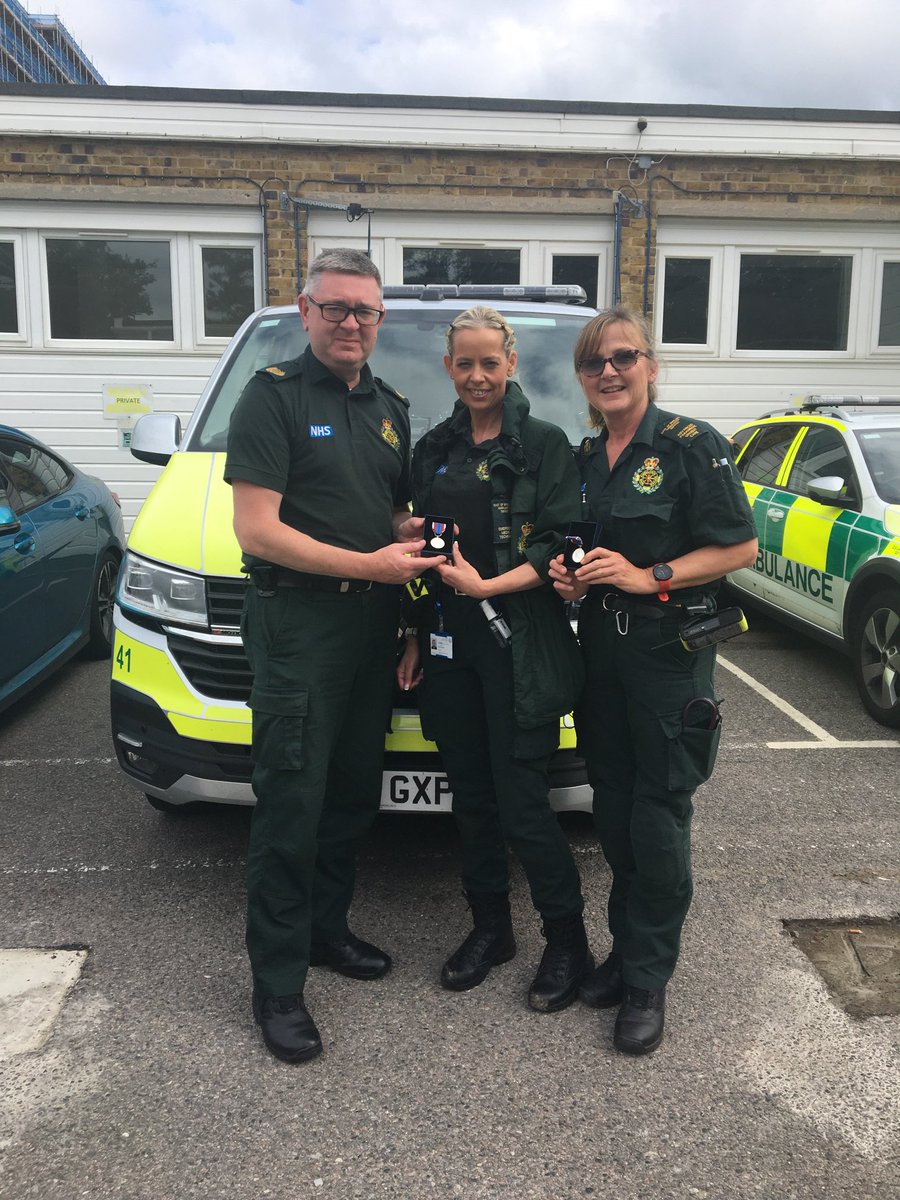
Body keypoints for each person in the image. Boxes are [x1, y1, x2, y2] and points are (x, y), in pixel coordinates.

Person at [224, 248, 434, 1064]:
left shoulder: (391, 406)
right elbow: (258, 530)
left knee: (349, 795)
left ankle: (324, 933)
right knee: (290, 807)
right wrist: (372, 565)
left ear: (381, 321)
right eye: (337, 308)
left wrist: (404, 567)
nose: (352, 323)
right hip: (299, 630)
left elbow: (386, 518)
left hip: (372, 629)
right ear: (305, 312)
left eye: (366, 312)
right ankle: (276, 986)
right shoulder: (271, 399)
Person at [549, 303, 757, 1055]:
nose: (609, 372)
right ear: (582, 376)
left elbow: (738, 548)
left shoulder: (691, 446)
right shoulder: (583, 457)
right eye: (595, 362)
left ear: (650, 365)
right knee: (613, 809)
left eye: (624, 358)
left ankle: (647, 980)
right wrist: (571, 577)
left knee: (659, 817)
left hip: (669, 659)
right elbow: (582, 550)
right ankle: (621, 951)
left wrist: (650, 575)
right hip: (602, 655)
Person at [397, 305, 592, 1013]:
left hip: (519, 642)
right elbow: (425, 548)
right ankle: (491, 932)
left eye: (490, 362)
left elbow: (559, 544)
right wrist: (418, 632)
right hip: (451, 646)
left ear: (511, 363)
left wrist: (488, 584)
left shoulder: (544, 444)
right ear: (449, 367)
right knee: (471, 799)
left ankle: (568, 943)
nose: (477, 375)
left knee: (522, 805)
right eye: (464, 363)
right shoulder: (434, 447)